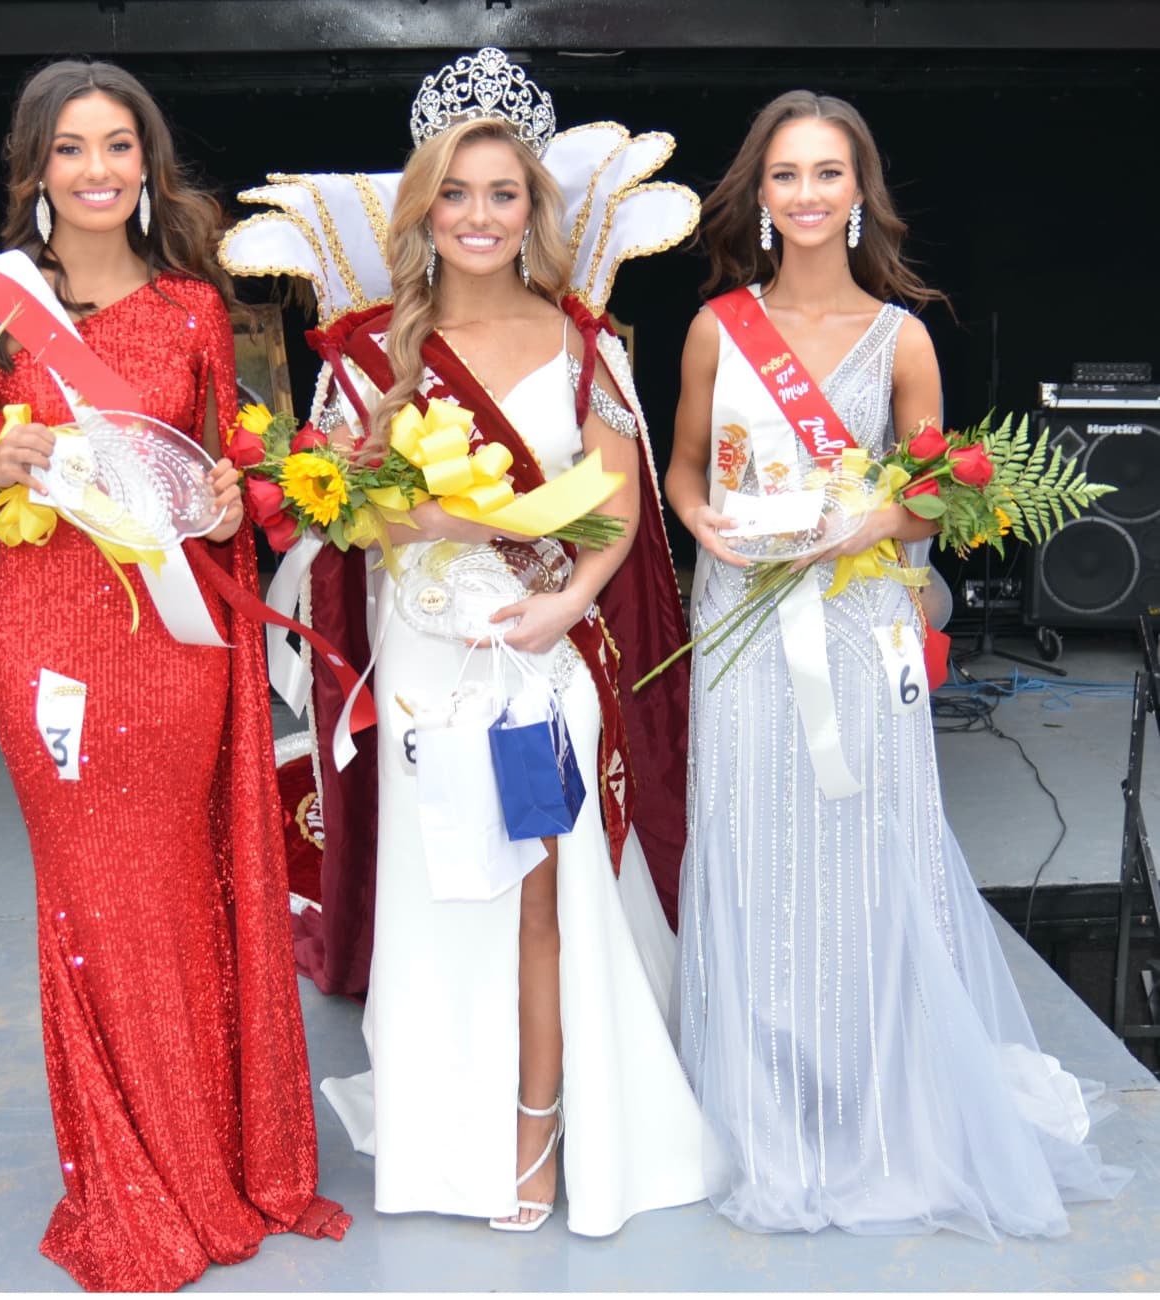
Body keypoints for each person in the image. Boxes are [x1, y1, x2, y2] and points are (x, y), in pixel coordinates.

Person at [230, 50, 721, 1235]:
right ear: (423, 209)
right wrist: (427, 510)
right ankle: (440, 1125)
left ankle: (534, 1130)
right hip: (423, 662)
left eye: (504, 194)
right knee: (438, 894)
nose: (480, 217)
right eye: (456, 193)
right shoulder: (362, 354)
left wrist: (570, 603)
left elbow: (614, 505)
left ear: (533, 210)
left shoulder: (584, 345)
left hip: (541, 656)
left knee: (537, 903)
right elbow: (327, 500)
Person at [666, 89, 1129, 1238]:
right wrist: (708, 527)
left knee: (861, 855)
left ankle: (873, 1111)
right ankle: (763, 1107)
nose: (807, 195)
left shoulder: (902, 338)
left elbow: (932, 507)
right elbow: (682, 470)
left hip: (855, 626)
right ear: (759, 195)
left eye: (828, 173)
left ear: (860, 194)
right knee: (751, 845)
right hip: (742, 622)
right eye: (785, 175)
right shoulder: (718, 329)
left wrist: (868, 526)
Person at [0, 60, 347, 1289]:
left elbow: (234, 472)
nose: (97, 171)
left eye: (119, 148)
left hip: (173, 651)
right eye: (71, 149)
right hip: (48, 641)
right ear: (33, 168)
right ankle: (129, 1175)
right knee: (95, 898)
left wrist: (230, 492)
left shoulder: (195, 311)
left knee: (184, 888)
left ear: (147, 168)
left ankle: (207, 1157)